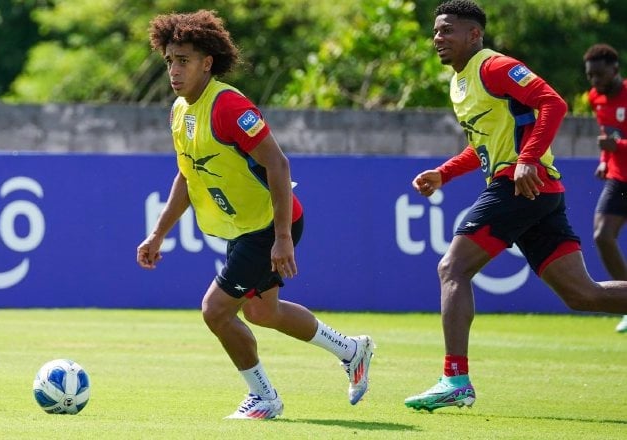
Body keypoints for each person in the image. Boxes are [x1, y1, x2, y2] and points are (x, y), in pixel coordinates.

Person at [137, 10, 374, 420]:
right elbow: (188, 174)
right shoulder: (180, 110)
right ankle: (352, 350)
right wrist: (158, 233)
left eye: (184, 61)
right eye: (170, 61)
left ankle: (264, 397)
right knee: (263, 312)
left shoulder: (228, 105)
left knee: (215, 310)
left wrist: (282, 237)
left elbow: (278, 164)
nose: (174, 70)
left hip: (268, 223)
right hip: (246, 226)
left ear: (207, 63)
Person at [405, 0, 627, 412]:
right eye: (436, 31)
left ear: (474, 35)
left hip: (520, 185)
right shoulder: (460, 83)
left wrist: (526, 159)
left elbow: (553, 103)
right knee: (583, 295)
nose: (439, 38)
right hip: (534, 190)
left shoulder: (494, 67)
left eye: (448, 30)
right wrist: (445, 173)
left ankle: (455, 379)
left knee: (452, 267)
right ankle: (455, 380)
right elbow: (484, 147)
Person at [583, 43, 627, 333]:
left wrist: (618, 146)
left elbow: (616, 139)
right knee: (602, 235)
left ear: (615, 70)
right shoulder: (595, 98)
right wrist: (604, 158)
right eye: (590, 76)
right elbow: (607, 134)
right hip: (619, 178)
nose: (595, 81)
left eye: (600, 75)